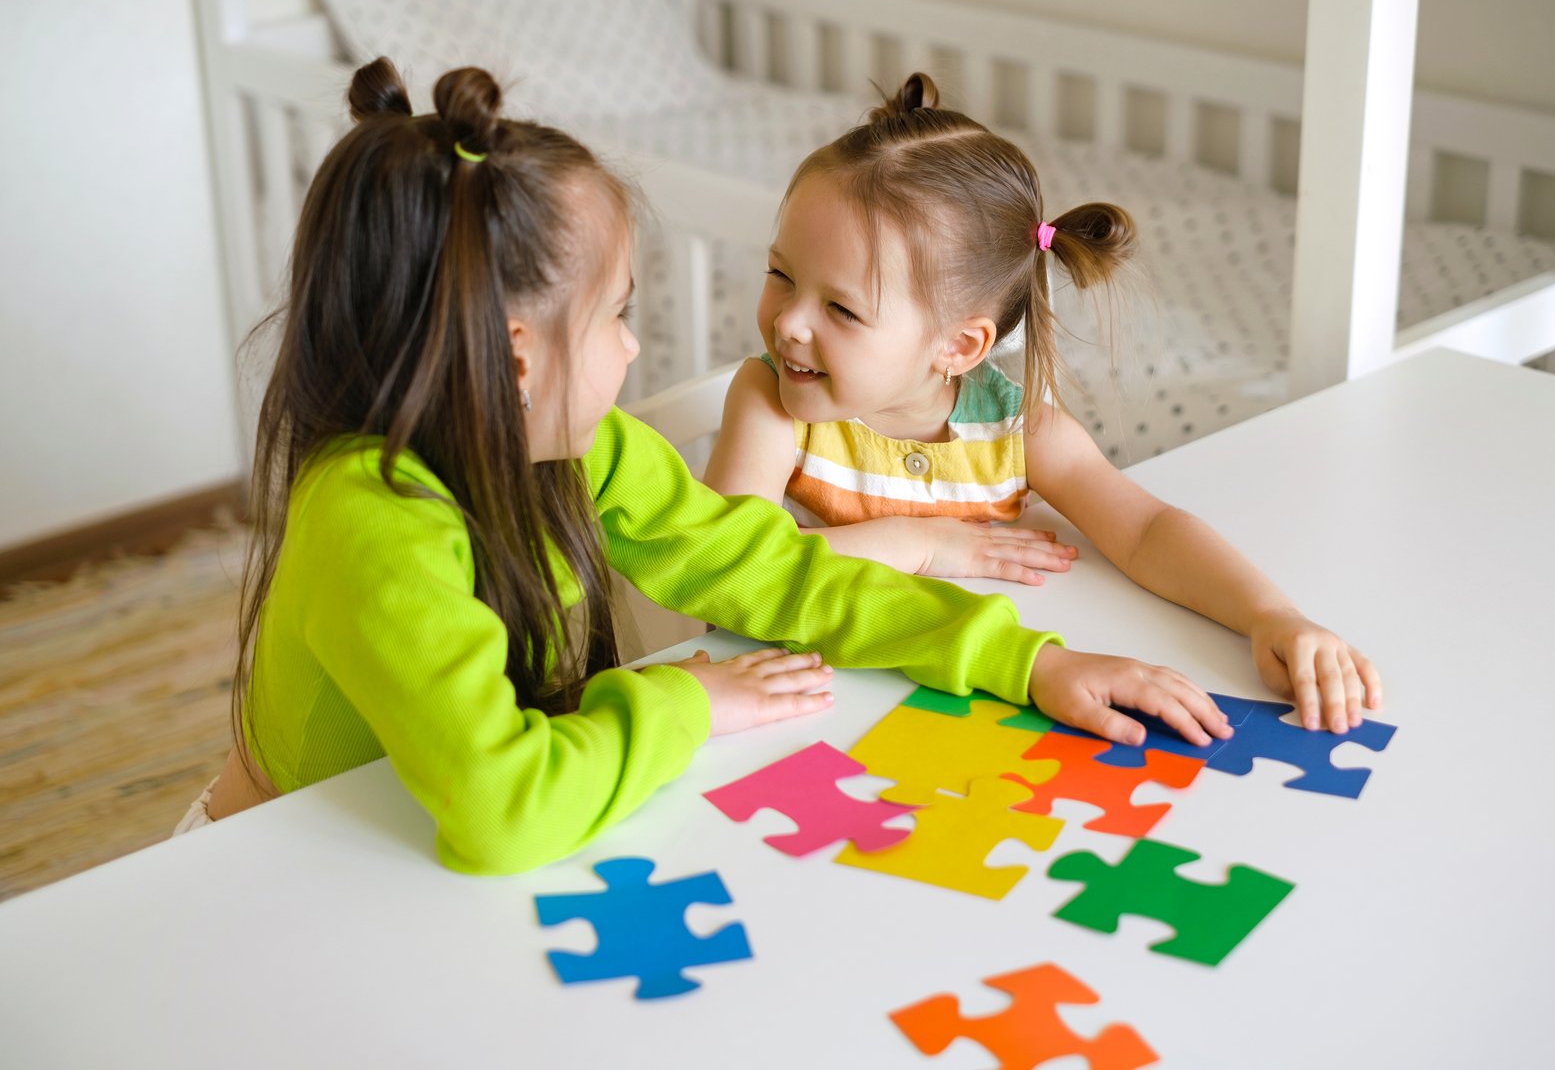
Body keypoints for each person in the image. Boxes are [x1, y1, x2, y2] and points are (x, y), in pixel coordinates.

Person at [185, 60, 1231, 874]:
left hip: (426, 840)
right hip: (280, 873)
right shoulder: (374, 522)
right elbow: (503, 811)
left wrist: (1028, 662)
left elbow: (774, 569)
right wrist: (690, 702)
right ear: (516, 355)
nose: (635, 350)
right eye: (619, 316)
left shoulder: (581, 447)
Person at [705, 73, 1381, 737]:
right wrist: (923, 543)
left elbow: (1145, 531)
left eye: (841, 309)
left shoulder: (1020, 430)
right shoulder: (770, 407)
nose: (790, 322)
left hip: (992, 701)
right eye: (781, 275)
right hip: (814, 708)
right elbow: (737, 580)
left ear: (958, 346)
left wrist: (1271, 616)